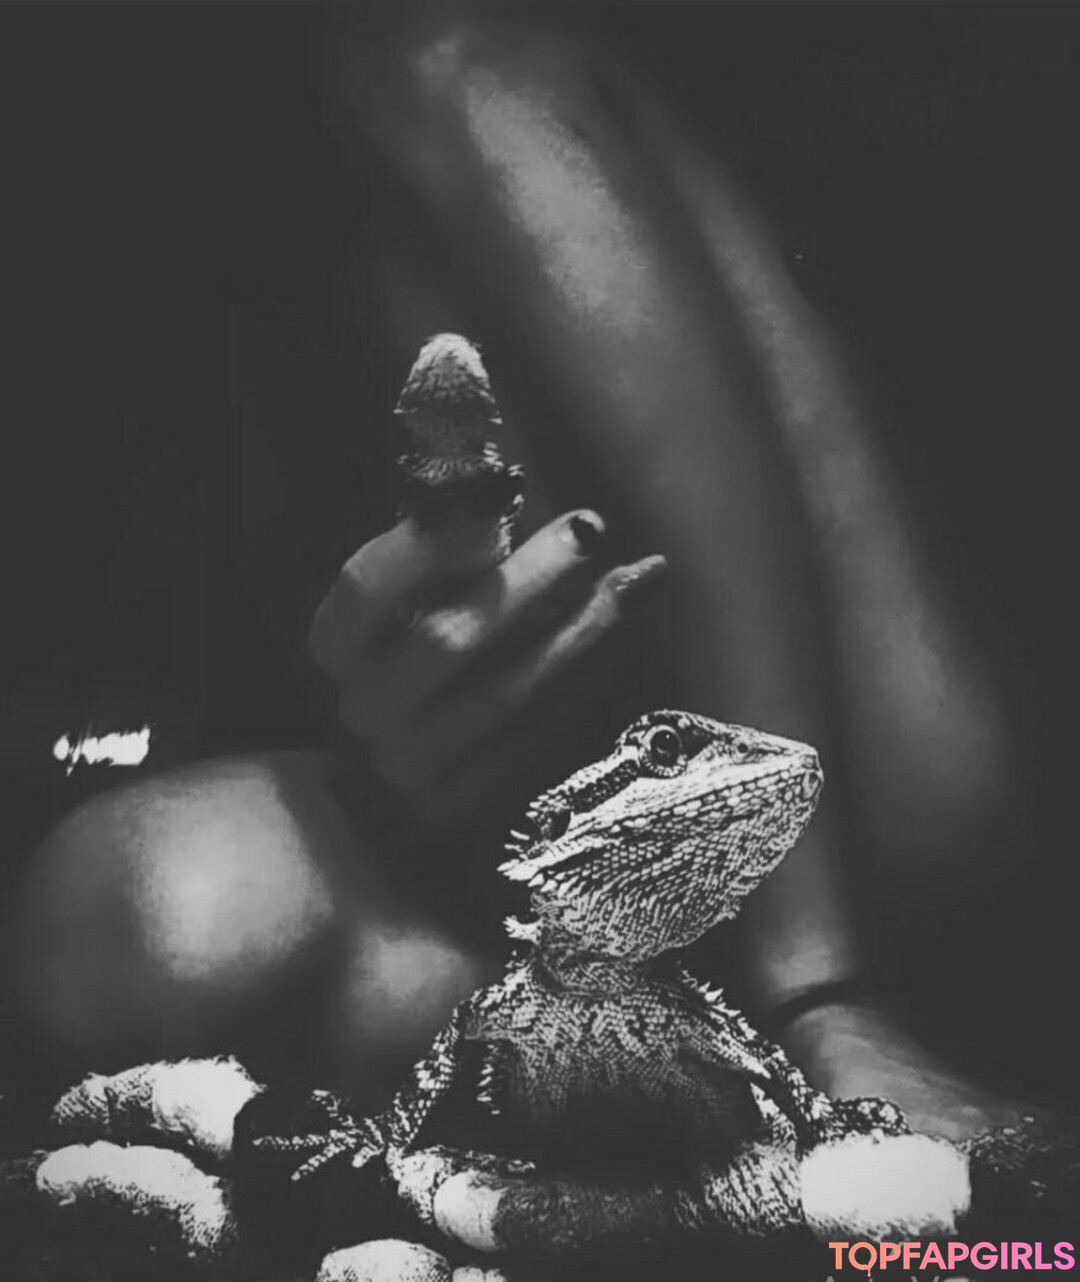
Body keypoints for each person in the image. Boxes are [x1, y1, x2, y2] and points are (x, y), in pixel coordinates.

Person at [0, 4, 1050, 1174]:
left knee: (443, 47)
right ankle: (668, 1047)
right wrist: (399, 723)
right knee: (144, 912)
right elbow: (113, 674)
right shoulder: (167, 183)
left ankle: (821, 998)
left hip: (872, 778)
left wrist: (814, 965)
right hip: (544, 869)